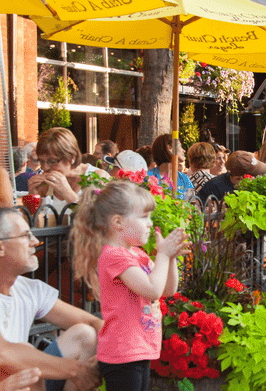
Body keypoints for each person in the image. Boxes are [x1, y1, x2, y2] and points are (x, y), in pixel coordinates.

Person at [71, 181, 190, 391]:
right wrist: (162, 255)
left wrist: (170, 259)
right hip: (123, 353)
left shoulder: (136, 254)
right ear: (118, 222)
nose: (150, 224)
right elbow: (152, 289)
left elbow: (166, 291)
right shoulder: (114, 256)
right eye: (144, 217)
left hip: (139, 348)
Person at [0, 207, 103, 391]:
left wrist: (113, 349)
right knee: (25, 366)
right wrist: (76, 370)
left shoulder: (29, 289)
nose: (36, 241)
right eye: (25, 236)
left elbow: (91, 321)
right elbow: (3, 353)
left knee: (86, 335)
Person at [28, 128, 111, 213]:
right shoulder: (46, 186)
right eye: (41, 161)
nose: (44, 167)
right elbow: (37, 222)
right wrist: (33, 198)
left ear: (72, 157)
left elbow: (100, 219)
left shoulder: (98, 177)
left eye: (52, 161)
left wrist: (67, 193)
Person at [196, 151, 266, 204]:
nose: (257, 178)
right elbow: (197, 209)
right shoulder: (213, 187)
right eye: (255, 175)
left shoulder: (256, 187)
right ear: (238, 179)